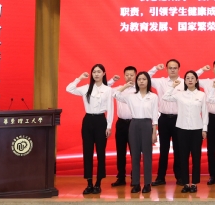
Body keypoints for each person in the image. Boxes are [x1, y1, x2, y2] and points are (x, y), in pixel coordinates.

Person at [66, 64, 114, 195]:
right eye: (94, 72)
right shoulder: (86, 88)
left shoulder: (108, 89)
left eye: (99, 72)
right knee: (87, 152)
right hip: (88, 121)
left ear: (104, 73)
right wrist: (79, 78)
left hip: (101, 121)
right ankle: (89, 183)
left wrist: (109, 126)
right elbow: (69, 89)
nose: (96, 74)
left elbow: (110, 108)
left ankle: (98, 183)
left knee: (100, 153)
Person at [160, 70, 208, 193]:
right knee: (183, 157)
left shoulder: (201, 95)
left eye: (192, 78)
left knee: (196, 157)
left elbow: (205, 112)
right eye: (187, 78)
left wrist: (205, 129)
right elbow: (165, 97)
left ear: (196, 80)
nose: (190, 80)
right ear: (184, 81)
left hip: (197, 129)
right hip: (181, 129)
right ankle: (186, 183)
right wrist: (173, 86)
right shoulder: (179, 94)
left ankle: (194, 183)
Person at [113, 71, 159, 194]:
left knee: (147, 155)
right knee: (135, 155)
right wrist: (126, 86)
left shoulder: (153, 96)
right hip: (134, 124)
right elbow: (115, 94)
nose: (141, 81)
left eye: (144, 79)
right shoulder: (131, 96)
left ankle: (147, 183)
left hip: (147, 124)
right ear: (136, 82)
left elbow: (155, 115)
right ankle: (136, 183)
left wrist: (154, 132)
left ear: (148, 81)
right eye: (139, 79)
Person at [148, 59, 183, 186]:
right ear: (167, 69)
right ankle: (160, 177)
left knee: (179, 149)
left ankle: (180, 176)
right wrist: (155, 68)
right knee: (163, 149)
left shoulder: (184, 82)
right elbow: (146, 77)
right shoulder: (161, 82)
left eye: (175, 68)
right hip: (163, 119)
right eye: (170, 68)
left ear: (179, 69)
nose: (172, 70)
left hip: (179, 119)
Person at [107, 66, 135, 187]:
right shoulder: (118, 89)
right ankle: (121, 177)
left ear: (135, 75)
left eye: (131, 75)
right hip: (121, 123)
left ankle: (135, 177)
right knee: (120, 151)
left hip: (134, 123)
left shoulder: (139, 90)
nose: (129, 77)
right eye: (127, 75)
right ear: (124, 76)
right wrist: (112, 80)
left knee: (135, 152)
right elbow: (104, 89)